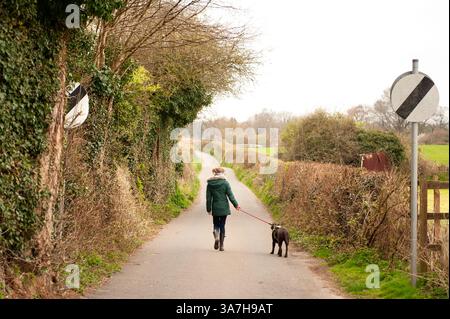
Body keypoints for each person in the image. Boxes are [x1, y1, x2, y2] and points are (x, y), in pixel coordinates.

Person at [206, 167, 240, 251]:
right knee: (222, 225)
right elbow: (230, 196)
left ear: (215, 173)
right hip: (224, 208)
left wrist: (208, 209)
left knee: (216, 224)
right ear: (222, 173)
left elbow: (208, 198)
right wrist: (236, 205)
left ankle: (216, 236)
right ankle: (221, 246)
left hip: (215, 208)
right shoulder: (225, 183)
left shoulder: (210, 184)